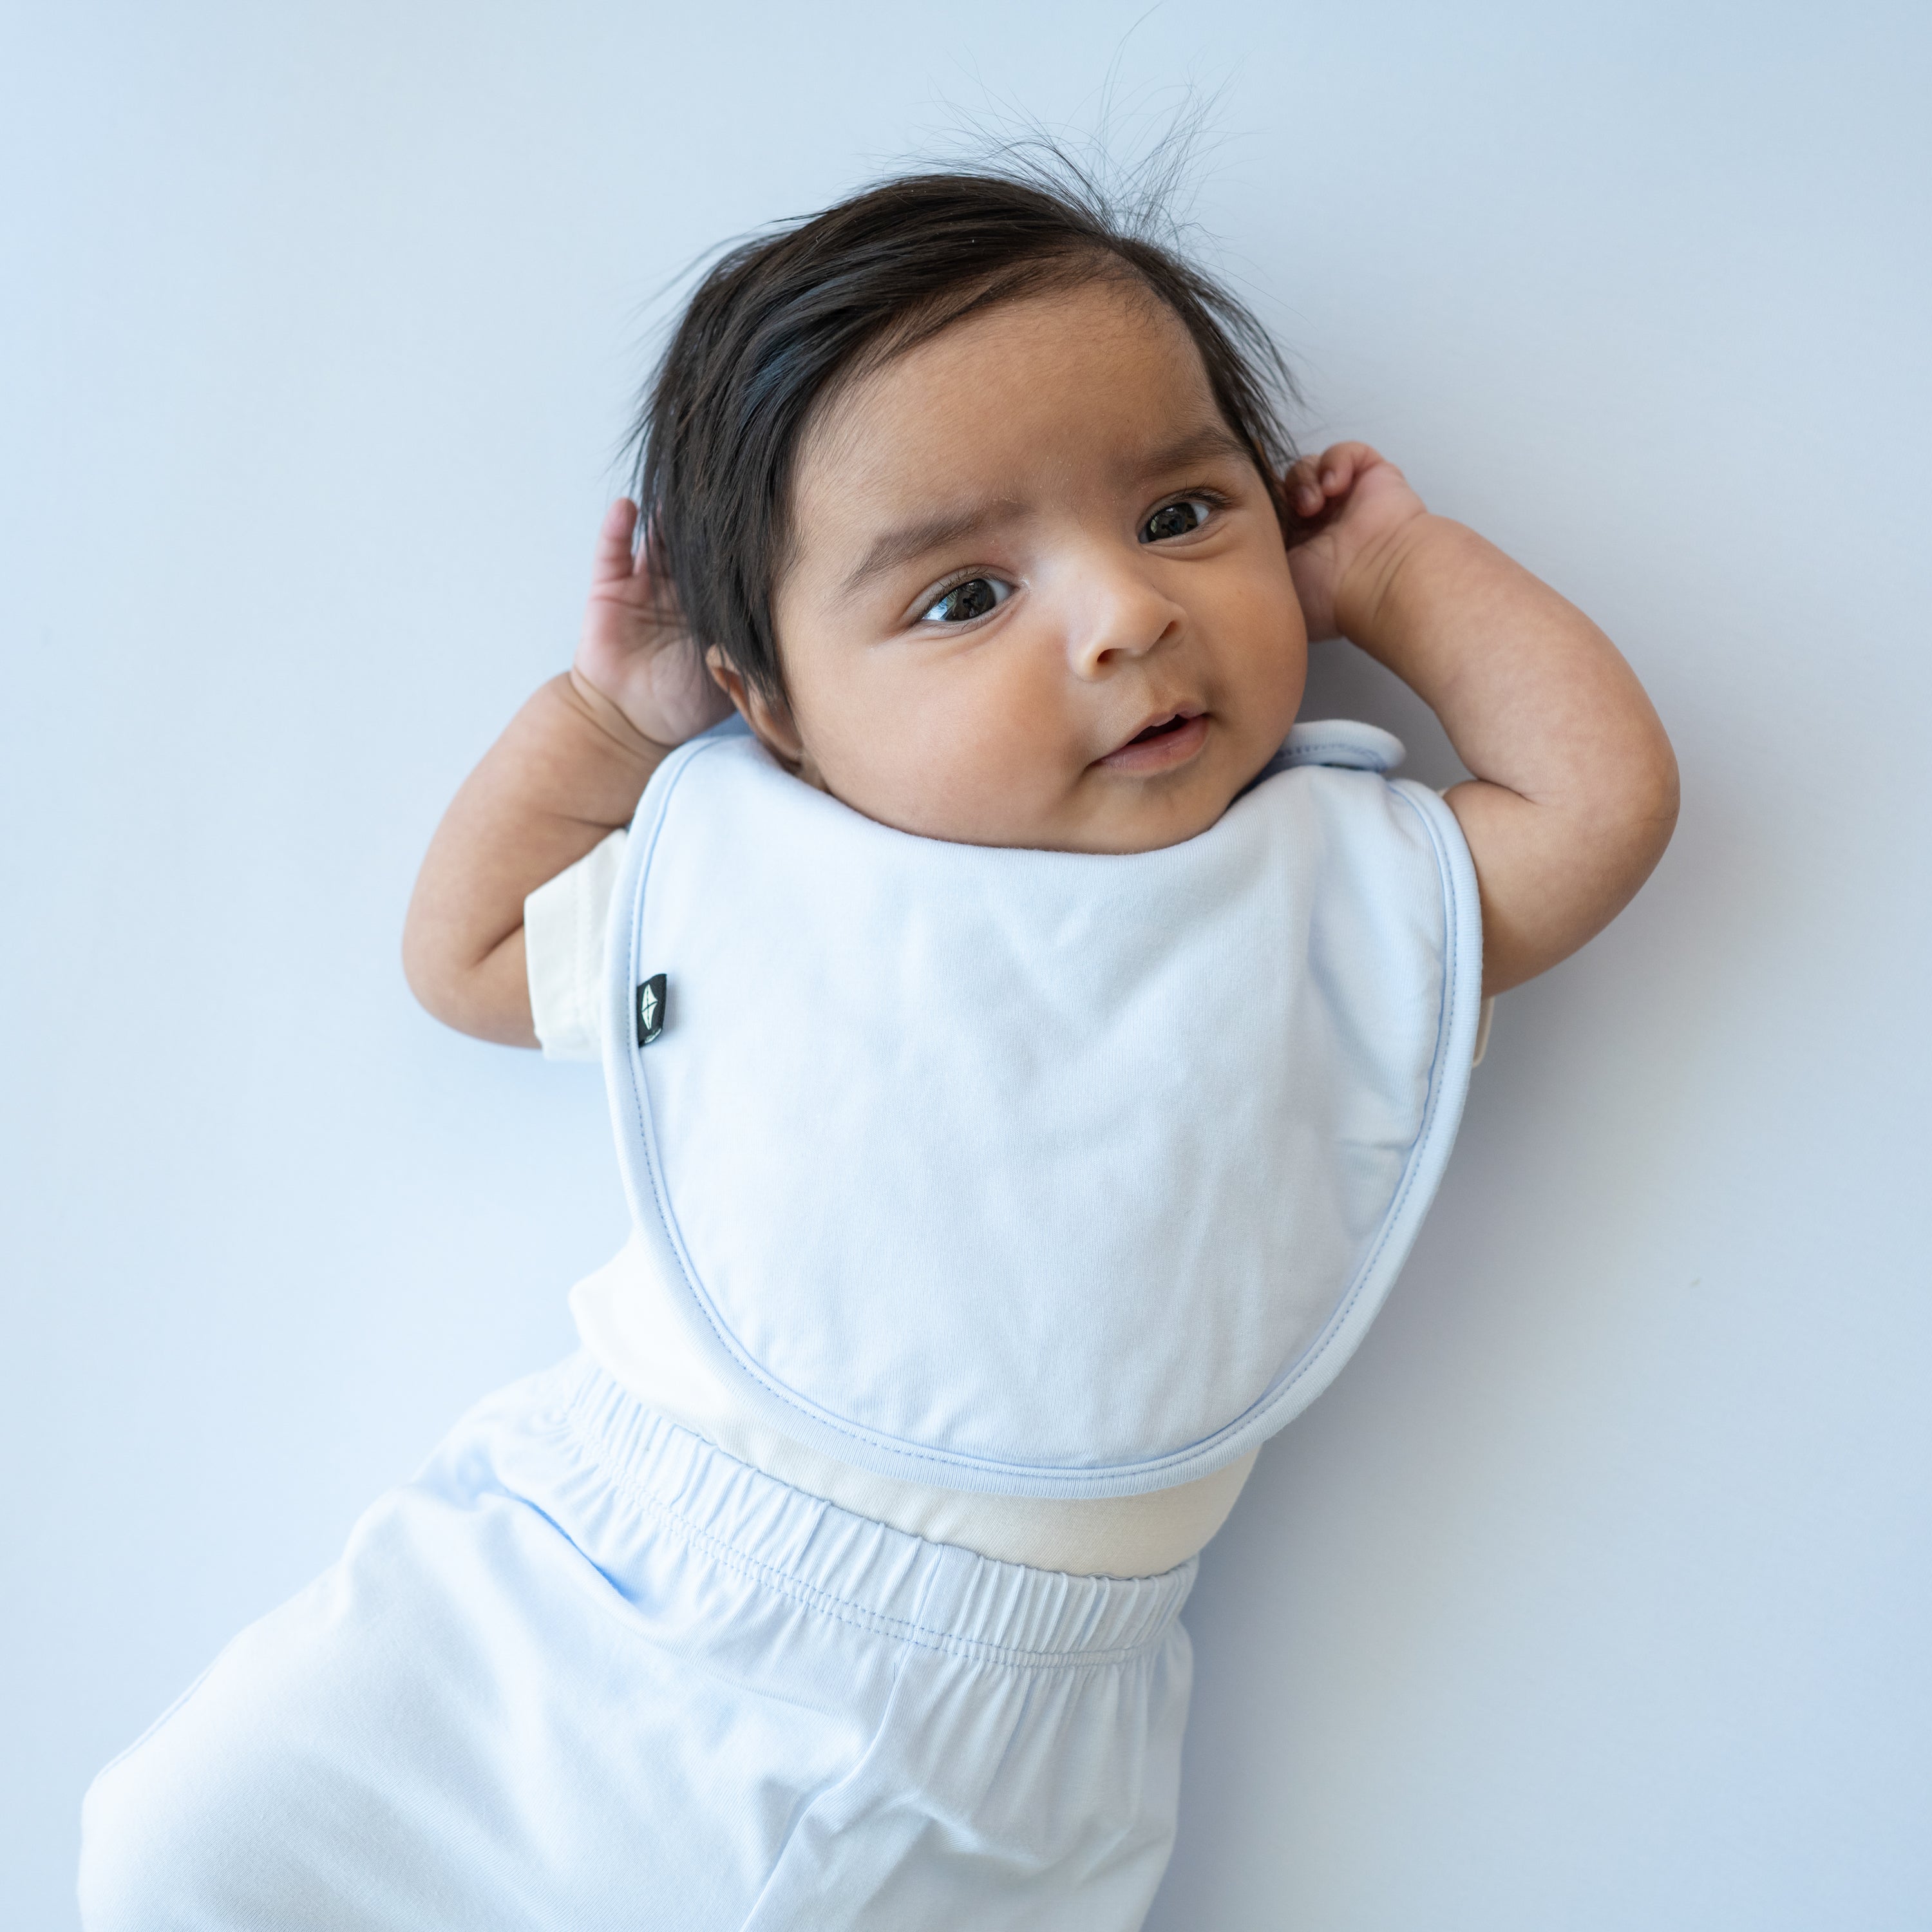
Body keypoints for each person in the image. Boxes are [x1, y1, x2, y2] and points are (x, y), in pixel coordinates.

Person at [79, 165, 1676, 1929]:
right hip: (596, 1594)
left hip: (1004, 1737)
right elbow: (461, 956)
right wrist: (613, 724)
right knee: (191, 1845)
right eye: (963, 596)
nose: (1122, 614)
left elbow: (1596, 804)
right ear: (773, 709)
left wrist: (1397, 569)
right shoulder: (764, 877)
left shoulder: (1331, 893)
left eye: (1182, 512)